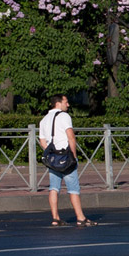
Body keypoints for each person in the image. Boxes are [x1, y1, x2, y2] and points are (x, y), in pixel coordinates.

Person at [39, 94, 96, 227]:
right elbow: (71, 137)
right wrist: (74, 155)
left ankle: (55, 218)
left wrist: (52, 151)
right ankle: (80, 218)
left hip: (53, 158)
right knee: (73, 188)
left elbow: (42, 141)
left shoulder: (44, 120)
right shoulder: (64, 116)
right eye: (66, 102)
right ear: (58, 103)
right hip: (66, 157)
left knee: (54, 188)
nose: (68, 105)